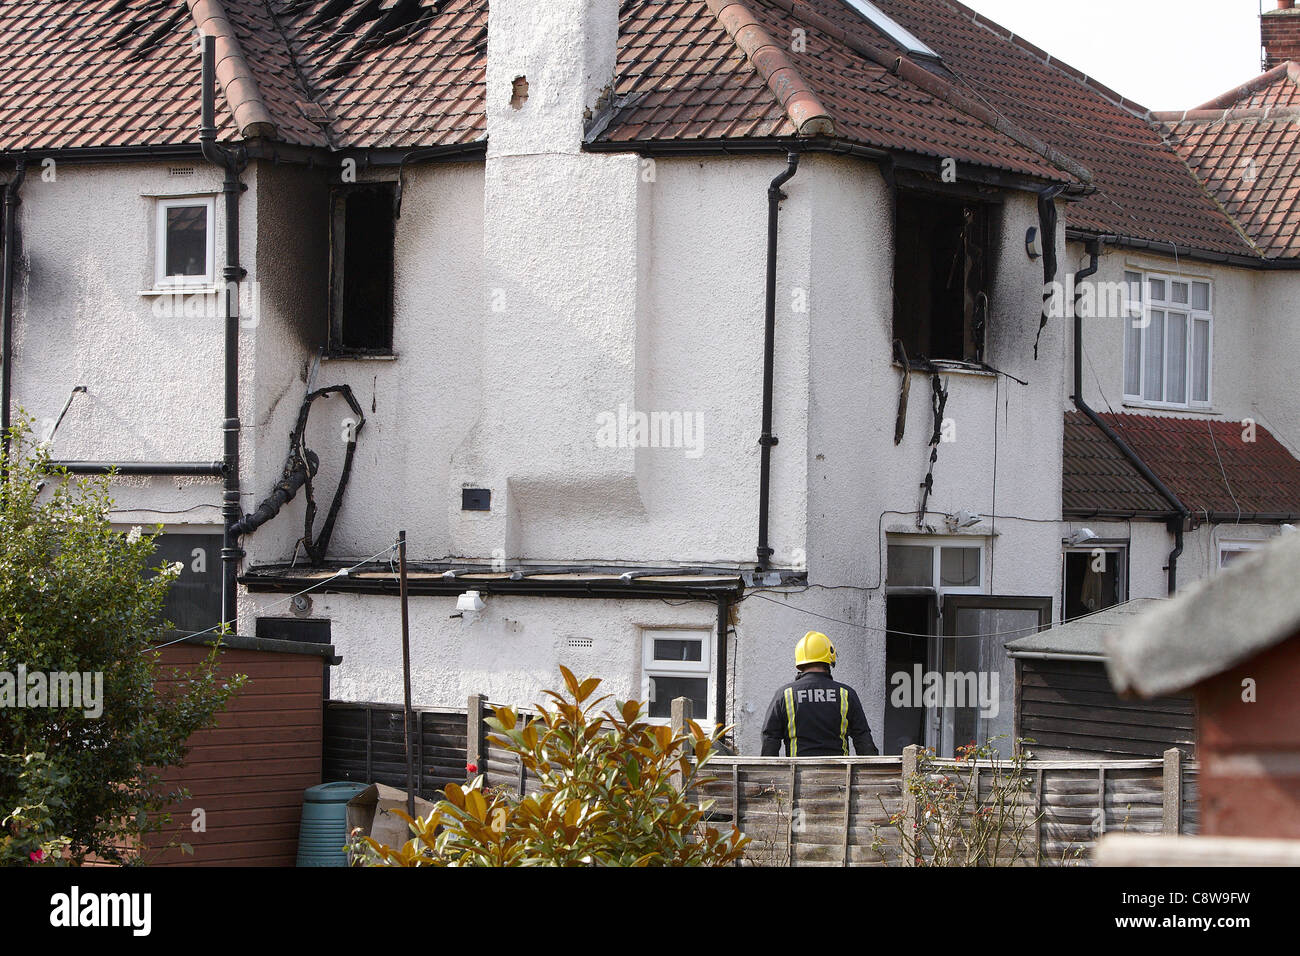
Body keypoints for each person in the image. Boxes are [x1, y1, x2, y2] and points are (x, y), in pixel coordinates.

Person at [761, 631, 878, 756]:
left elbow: (770, 740)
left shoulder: (785, 694)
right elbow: (863, 739)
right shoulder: (845, 694)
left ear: (800, 661)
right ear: (830, 657)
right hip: (841, 773)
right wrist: (871, 772)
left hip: (797, 773)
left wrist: (771, 772)